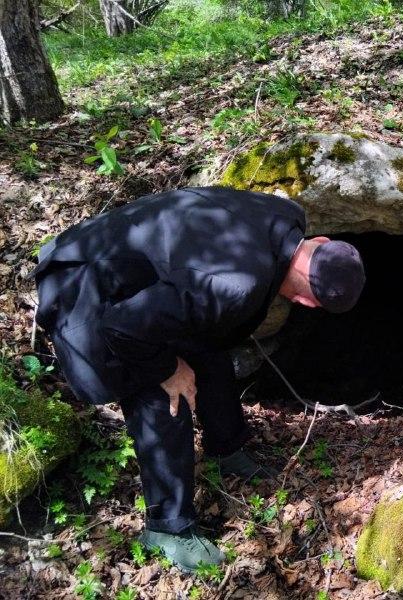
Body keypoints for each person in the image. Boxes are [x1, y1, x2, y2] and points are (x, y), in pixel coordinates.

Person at [31, 186, 365, 572]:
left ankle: (227, 449)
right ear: (306, 301)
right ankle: (168, 527)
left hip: (134, 273)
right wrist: (169, 370)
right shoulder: (236, 284)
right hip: (85, 283)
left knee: (208, 348)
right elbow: (123, 328)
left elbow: (192, 303)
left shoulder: (288, 215)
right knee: (158, 391)